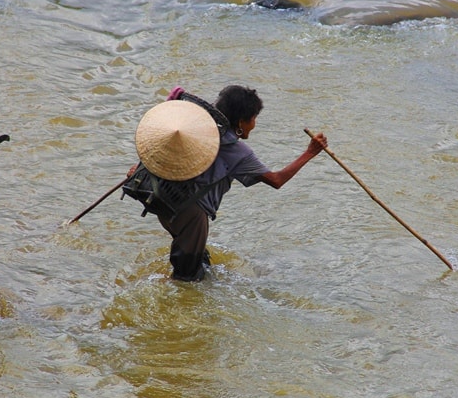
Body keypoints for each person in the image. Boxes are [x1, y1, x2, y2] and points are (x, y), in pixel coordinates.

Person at [132, 85, 327, 281]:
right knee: (186, 281)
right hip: (192, 216)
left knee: (200, 264)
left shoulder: (198, 130)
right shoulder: (238, 151)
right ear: (241, 122)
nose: (254, 124)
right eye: (253, 118)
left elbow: (160, 147)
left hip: (164, 204)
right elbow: (277, 180)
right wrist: (310, 153)